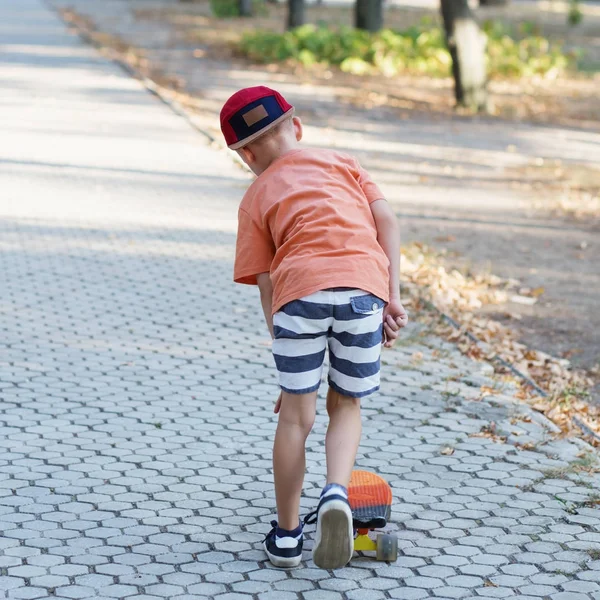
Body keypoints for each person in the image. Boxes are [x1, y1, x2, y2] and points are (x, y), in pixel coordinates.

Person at [220, 86, 408, 570]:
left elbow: (267, 286)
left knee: (295, 419)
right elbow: (386, 219)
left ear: (246, 154)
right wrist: (392, 295)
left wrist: (288, 360)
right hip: (364, 289)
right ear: (297, 128)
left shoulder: (254, 197)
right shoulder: (344, 162)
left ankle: (286, 538)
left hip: (298, 296)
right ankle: (335, 496)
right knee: (346, 403)